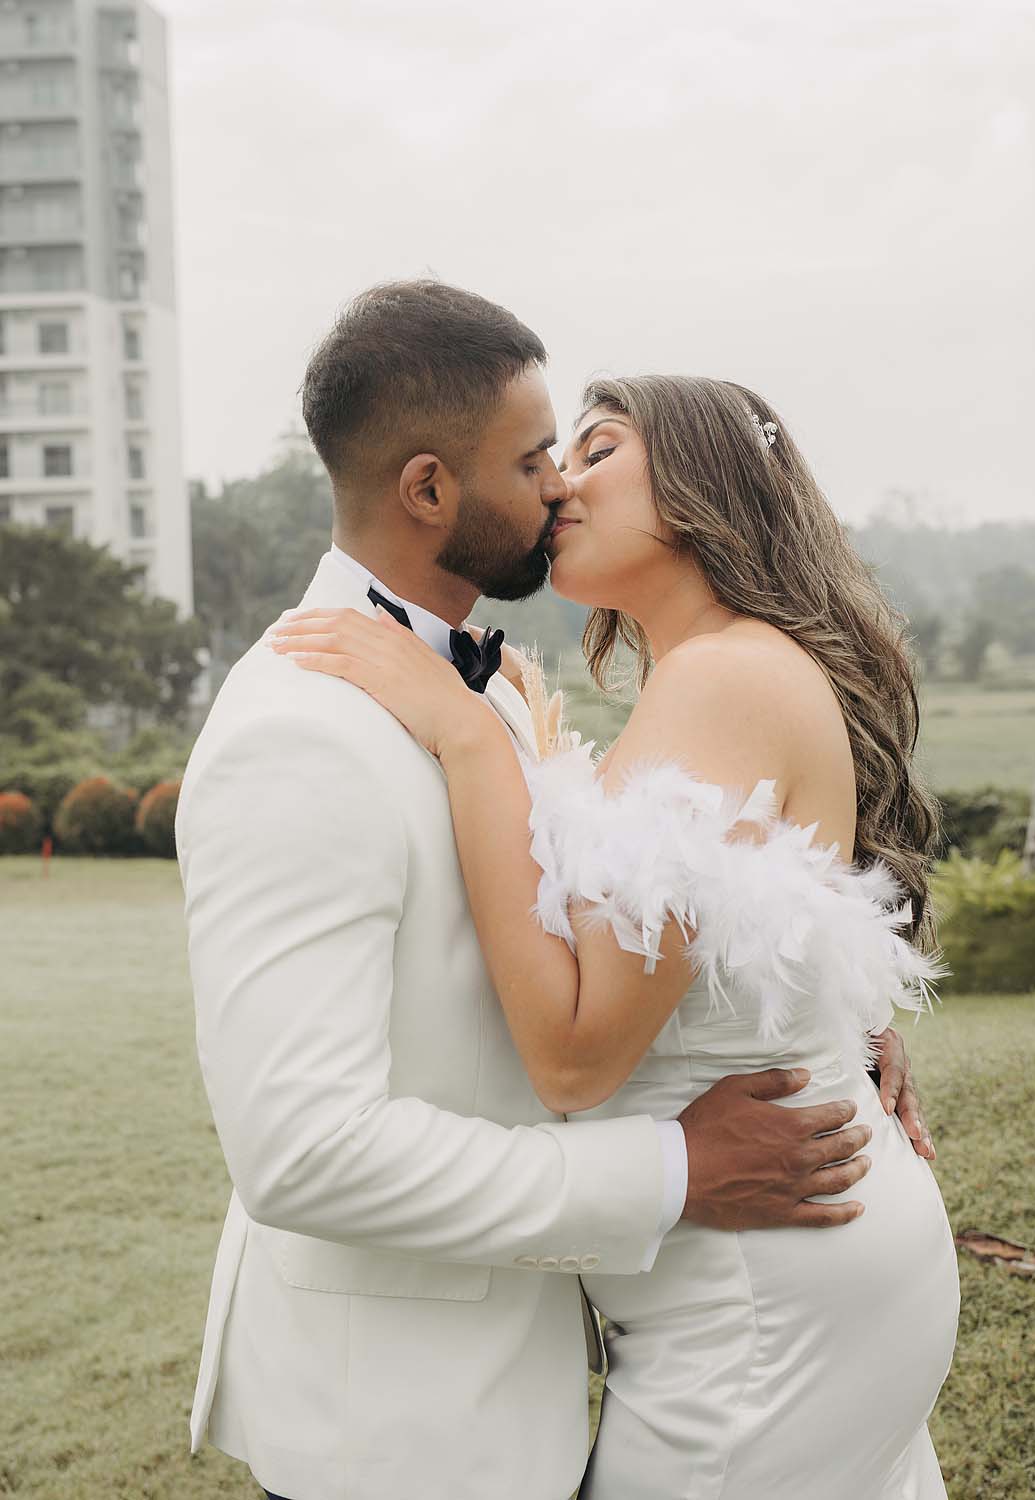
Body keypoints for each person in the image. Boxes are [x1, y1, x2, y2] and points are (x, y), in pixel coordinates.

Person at [180, 279, 935, 1500]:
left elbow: (669, 919)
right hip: (398, 1413)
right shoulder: (301, 730)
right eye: (540, 456)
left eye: (584, 453)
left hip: (633, 1337)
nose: (559, 487)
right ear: (429, 489)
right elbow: (306, 1152)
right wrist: (679, 1168)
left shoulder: (484, 699)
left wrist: (833, 1027)